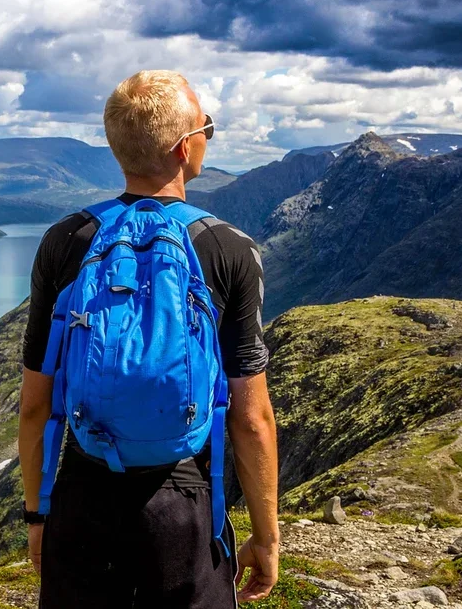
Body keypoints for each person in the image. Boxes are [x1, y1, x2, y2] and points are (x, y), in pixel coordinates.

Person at [18, 70, 280, 607]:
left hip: (84, 493)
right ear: (187, 148)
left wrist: (39, 515)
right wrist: (266, 537)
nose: (209, 134)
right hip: (185, 502)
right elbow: (251, 417)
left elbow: (36, 406)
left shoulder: (67, 240)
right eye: (208, 125)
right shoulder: (228, 248)